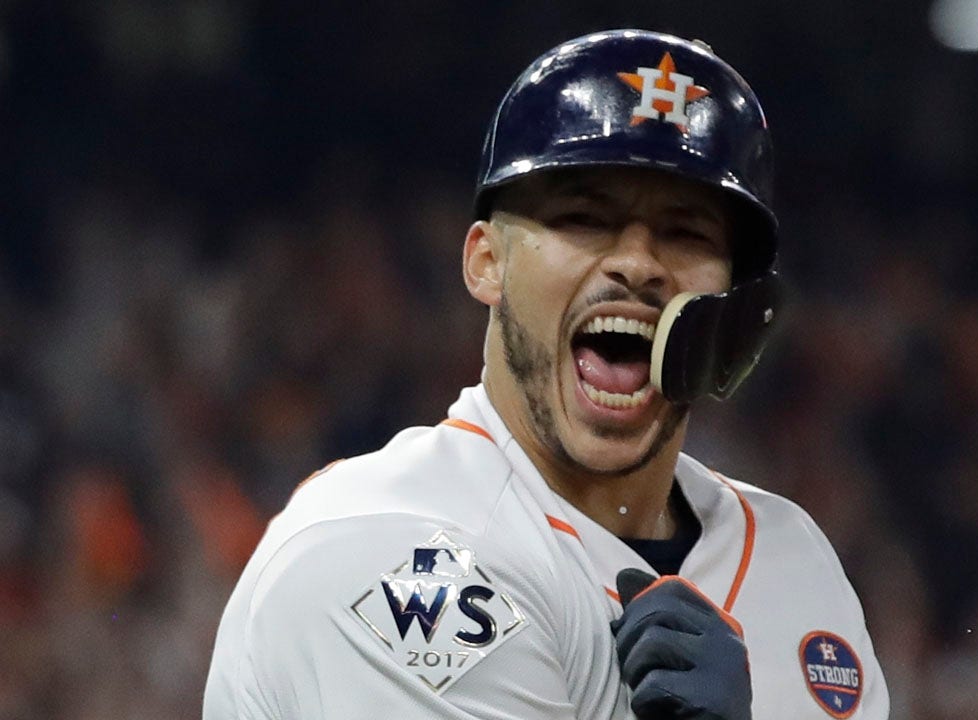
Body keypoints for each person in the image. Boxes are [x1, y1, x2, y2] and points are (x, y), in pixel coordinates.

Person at [204, 29, 889, 720]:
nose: (638, 263)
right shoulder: (393, 541)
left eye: (687, 234)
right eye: (585, 219)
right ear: (485, 261)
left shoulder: (794, 557)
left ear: (738, 302)